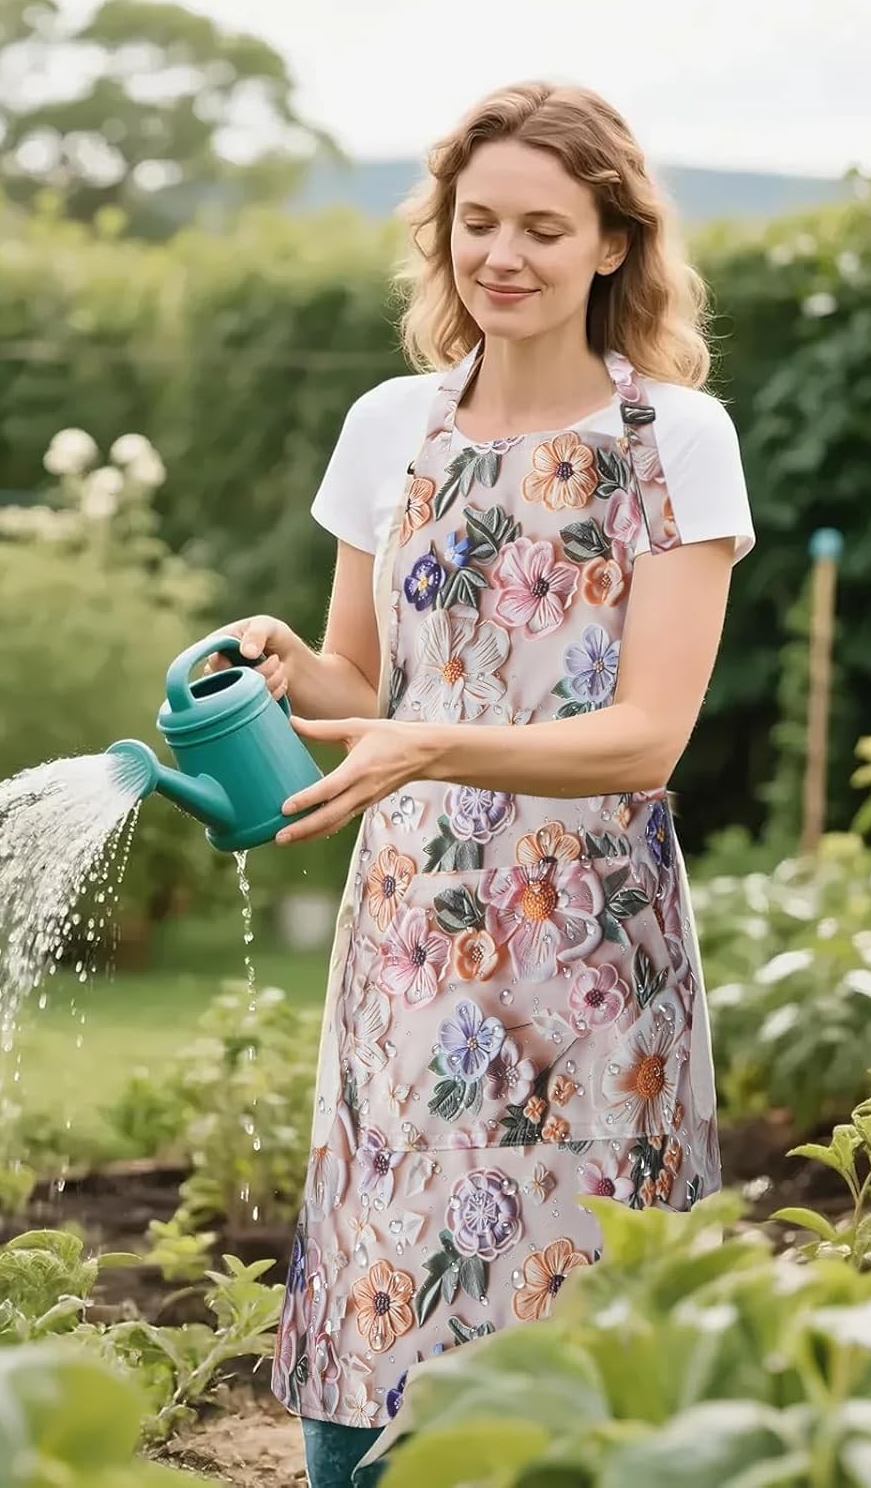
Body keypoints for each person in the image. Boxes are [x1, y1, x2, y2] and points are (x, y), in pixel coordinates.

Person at [214, 80, 754, 1488]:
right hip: (411, 927)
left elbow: (646, 739)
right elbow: (360, 684)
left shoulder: (677, 442)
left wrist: (428, 744)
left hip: (592, 944)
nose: (501, 256)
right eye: (475, 224)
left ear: (613, 245)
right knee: (387, 1243)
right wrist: (286, 664)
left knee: (576, 1263)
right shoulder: (390, 426)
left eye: (542, 228)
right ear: (440, 234)